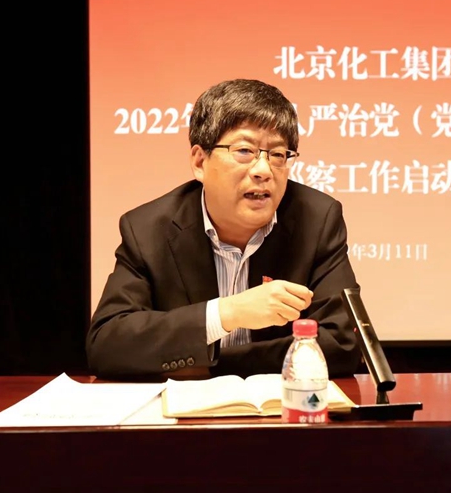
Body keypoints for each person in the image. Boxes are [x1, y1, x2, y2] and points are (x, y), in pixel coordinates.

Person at [86, 78, 361, 379]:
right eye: (244, 151)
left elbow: (342, 344)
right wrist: (226, 313)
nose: (263, 170)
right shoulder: (149, 229)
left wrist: (209, 364)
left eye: (278, 155)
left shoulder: (317, 219)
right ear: (200, 161)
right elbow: (107, 344)